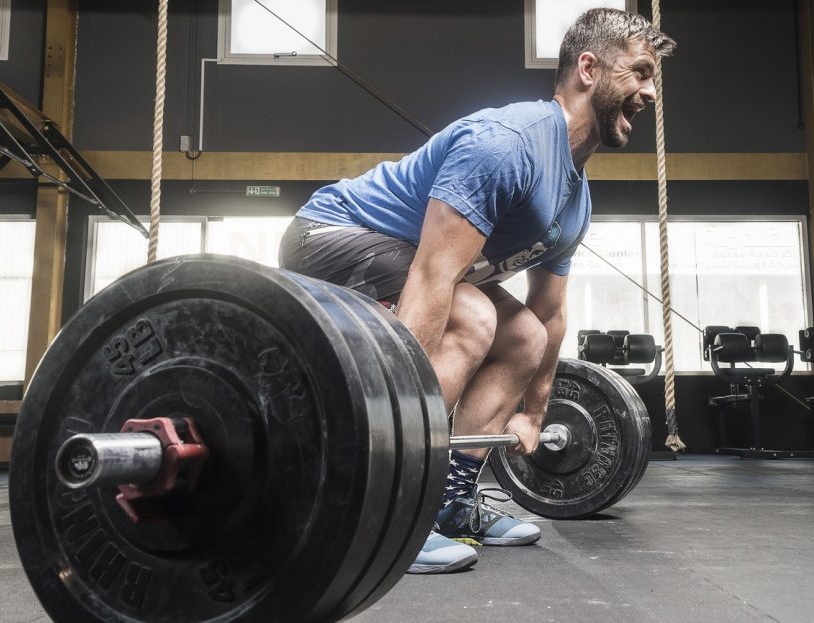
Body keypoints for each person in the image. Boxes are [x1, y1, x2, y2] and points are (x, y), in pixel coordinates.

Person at [279, 8, 675, 574]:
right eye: (639, 72)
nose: (650, 91)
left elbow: (550, 313)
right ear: (589, 68)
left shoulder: (574, 198)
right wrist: (396, 424)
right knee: (470, 318)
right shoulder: (506, 144)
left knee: (523, 337)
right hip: (329, 234)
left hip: (410, 262)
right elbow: (433, 279)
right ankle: (391, 512)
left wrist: (534, 413)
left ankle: (450, 503)